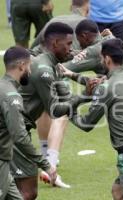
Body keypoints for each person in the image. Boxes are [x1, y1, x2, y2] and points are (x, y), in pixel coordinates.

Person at [63, 38, 123, 200]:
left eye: (100, 58)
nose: (100, 61)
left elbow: (87, 124)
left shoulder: (106, 87)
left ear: (106, 59)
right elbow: (103, 83)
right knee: (118, 192)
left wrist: (69, 111)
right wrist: (71, 74)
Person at [11, 22, 81, 195]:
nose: (71, 49)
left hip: (18, 130)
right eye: (69, 44)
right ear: (56, 43)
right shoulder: (44, 71)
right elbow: (55, 111)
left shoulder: (51, 66)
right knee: (26, 191)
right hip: (11, 133)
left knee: (27, 191)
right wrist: (83, 96)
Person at [1, 47, 56, 200]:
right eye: (29, 66)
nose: (30, 71)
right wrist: (45, 164)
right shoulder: (12, 96)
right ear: (22, 66)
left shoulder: (3, 87)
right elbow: (19, 136)